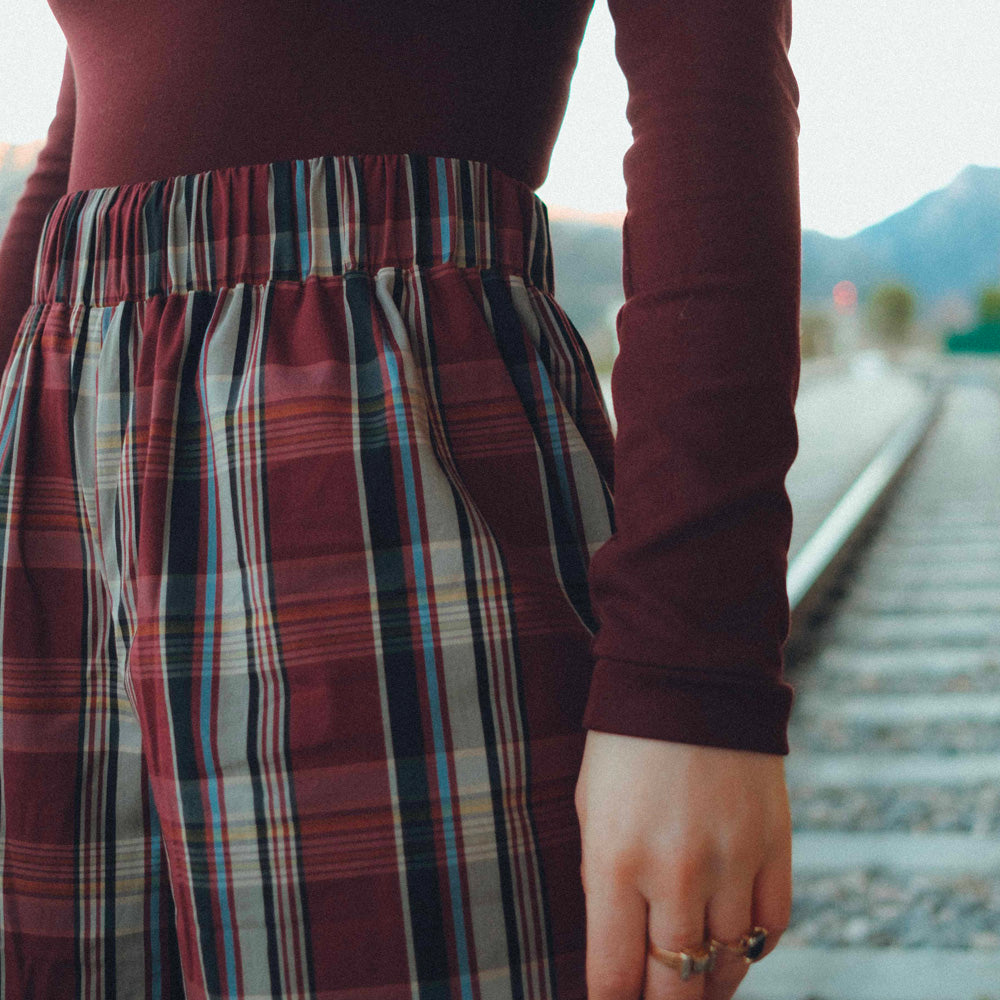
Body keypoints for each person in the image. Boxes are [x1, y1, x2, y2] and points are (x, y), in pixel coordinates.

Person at [0, 1, 801, 997]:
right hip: (54, 453)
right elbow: (89, 126)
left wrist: (692, 671)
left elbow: (707, 80)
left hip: (361, 431)